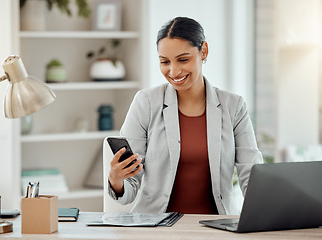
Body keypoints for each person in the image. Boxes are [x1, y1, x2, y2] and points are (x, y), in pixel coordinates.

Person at [107, 16, 263, 215]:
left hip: (216, 227)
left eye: (183, 59)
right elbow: (129, 190)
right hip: (156, 227)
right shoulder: (145, 102)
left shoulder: (234, 106)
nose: (173, 71)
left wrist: (268, 213)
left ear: (203, 51)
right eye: (164, 62)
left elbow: (252, 175)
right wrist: (116, 179)